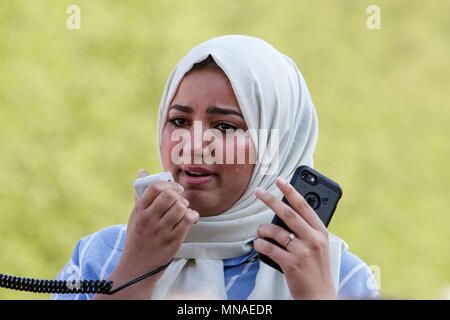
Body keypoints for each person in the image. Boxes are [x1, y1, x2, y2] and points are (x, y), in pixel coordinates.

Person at [51, 35, 379, 300]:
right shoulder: (101, 256)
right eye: (178, 121)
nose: (193, 145)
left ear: (278, 144)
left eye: (225, 126)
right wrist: (134, 271)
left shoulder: (340, 276)